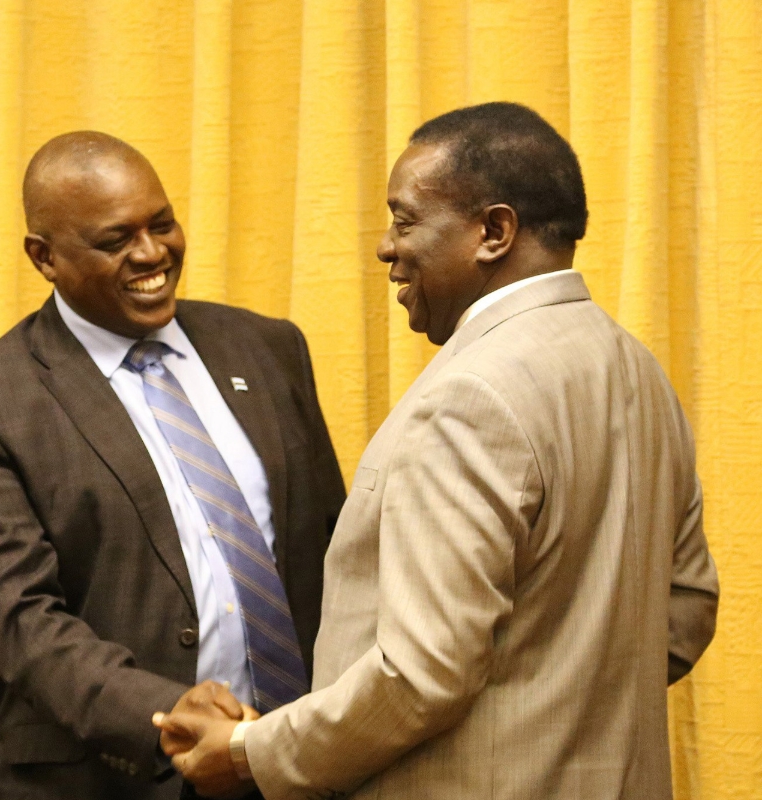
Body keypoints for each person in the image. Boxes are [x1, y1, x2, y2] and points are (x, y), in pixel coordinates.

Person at [157, 102, 719, 800]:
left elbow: (420, 675)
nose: (385, 247)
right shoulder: (637, 370)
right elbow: (687, 607)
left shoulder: (471, 397)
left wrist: (247, 750)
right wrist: (561, 706)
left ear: (494, 231)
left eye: (405, 218)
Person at [0, 131, 346, 799]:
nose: (151, 254)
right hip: (104, 779)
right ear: (44, 256)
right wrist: (165, 715)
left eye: (162, 224)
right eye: (116, 240)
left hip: (292, 764)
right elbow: (19, 620)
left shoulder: (267, 347)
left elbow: (332, 548)